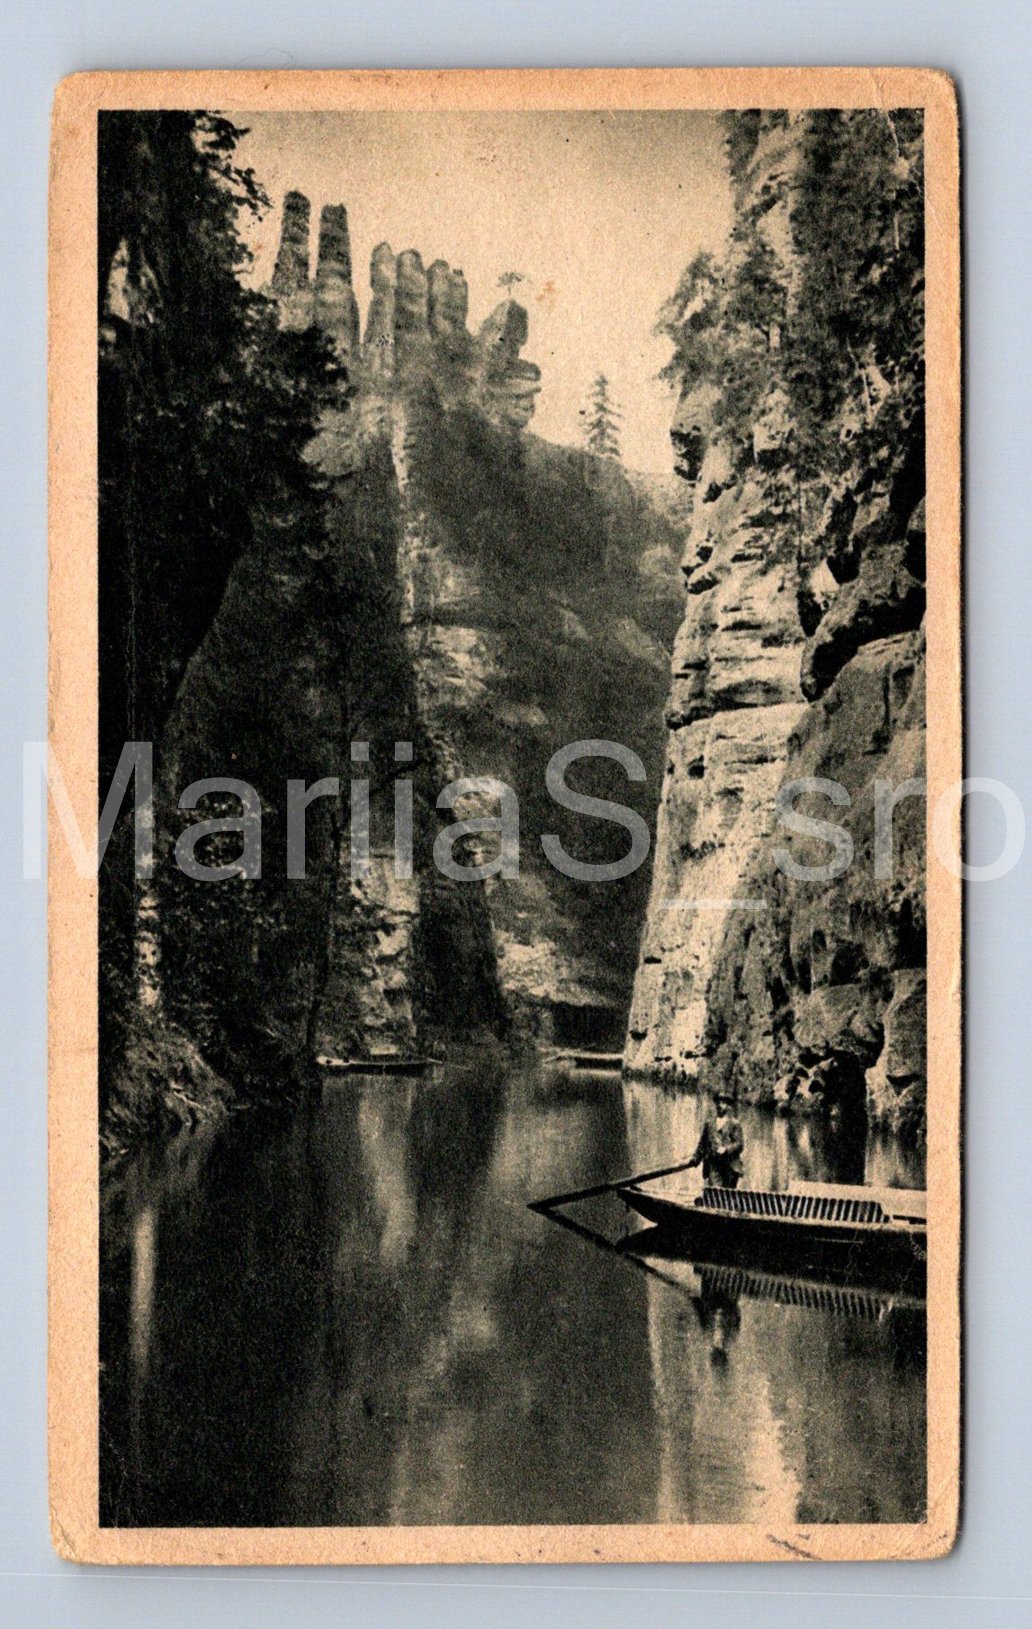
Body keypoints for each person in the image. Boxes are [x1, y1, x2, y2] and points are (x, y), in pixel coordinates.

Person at [688, 1088, 745, 1189]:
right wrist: (695, 1158)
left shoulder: (734, 1124)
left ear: (728, 1106)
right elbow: (702, 1145)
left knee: (727, 1194)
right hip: (713, 1165)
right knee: (714, 1191)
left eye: (723, 1103)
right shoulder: (709, 1124)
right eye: (718, 1102)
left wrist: (726, 1149)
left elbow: (739, 1145)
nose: (719, 1105)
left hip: (730, 1166)